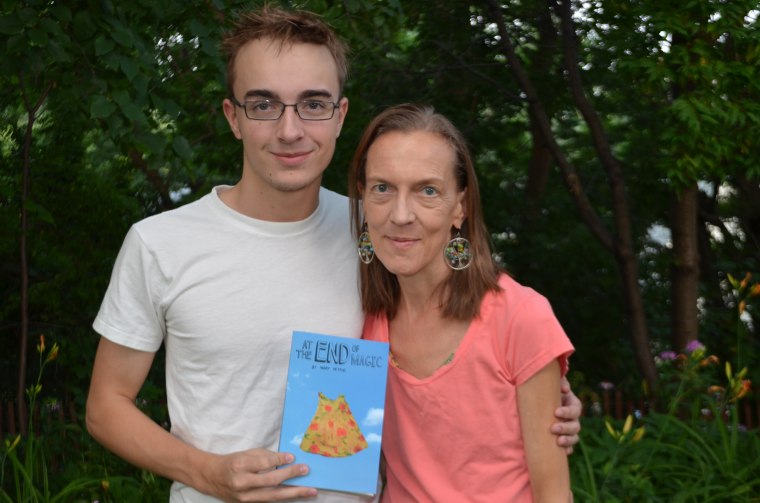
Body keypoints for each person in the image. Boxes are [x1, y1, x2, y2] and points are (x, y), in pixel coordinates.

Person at [85, 7, 581, 503]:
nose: (289, 130)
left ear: (340, 116)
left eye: (313, 104)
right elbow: (106, 405)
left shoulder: (383, 231)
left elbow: (477, 337)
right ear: (232, 117)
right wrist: (207, 472)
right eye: (263, 105)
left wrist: (534, 404)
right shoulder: (160, 244)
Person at [350, 103, 574, 502]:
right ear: (362, 200)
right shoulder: (361, 322)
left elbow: (554, 494)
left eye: (427, 191)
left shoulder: (520, 317)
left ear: (461, 207)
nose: (401, 215)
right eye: (382, 188)